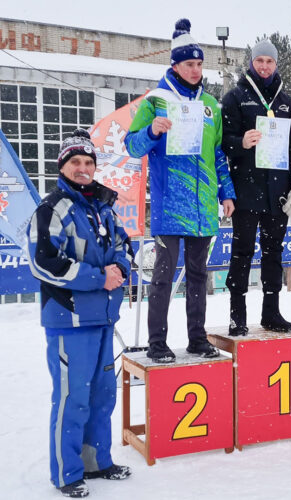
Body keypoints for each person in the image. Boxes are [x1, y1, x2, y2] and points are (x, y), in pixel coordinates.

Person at [27, 129, 132, 498]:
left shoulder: (104, 207)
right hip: (69, 321)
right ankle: (67, 473)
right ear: (63, 166)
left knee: (103, 395)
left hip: (103, 318)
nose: (84, 168)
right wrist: (97, 277)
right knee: (73, 398)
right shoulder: (50, 208)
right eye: (76, 162)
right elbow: (43, 263)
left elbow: (124, 245)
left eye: (89, 162)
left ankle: (96, 462)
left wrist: (120, 268)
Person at [125, 19, 235, 362]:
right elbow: (132, 145)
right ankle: (157, 343)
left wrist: (226, 193)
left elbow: (218, 154)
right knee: (162, 277)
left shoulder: (211, 107)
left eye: (200, 64)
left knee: (199, 277)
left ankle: (197, 339)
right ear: (174, 65)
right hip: (169, 204)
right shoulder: (155, 101)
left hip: (203, 207)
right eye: (189, 64)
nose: (195, 70)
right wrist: (153, 132)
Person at [221, 39, 291, 336]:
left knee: (274, 253)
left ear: (276, 64)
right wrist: (241, 143)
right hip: (246, 191)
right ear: (251, 63)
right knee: (241, 252)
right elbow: (223, 143)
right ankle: (237, 315)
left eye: (270, 61)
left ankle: (271, 312)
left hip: (277, 194)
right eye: (260, 61)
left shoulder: (287, 102)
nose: (265, 66)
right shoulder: (235, 97)